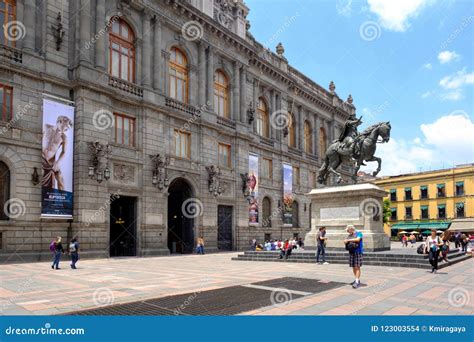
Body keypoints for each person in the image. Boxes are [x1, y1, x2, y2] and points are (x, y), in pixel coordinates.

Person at [42, 116, 73, 190]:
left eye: (67, 129)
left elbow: (64, 152)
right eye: (66, 127)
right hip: (41, 158)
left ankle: (64, 200)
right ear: (61, 121)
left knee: (60, 178)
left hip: (51, 162)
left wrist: (58, 162)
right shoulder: (46, 127)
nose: (66, 130)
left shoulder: (64, 137)